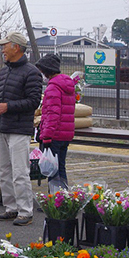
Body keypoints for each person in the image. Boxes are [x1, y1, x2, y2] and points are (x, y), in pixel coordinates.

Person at [0, 32, 42, 226]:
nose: (2, 49)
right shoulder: (4, 71)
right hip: (2, 126)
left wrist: (8, 106)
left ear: (16, 47)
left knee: (20, 171)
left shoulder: (32, 72)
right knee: (4, 170)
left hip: (19, 129)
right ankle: (11, 207)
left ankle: (25, 210)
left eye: (5, 46)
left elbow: (33, 101)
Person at [35, 54, 77, 193]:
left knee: (52, 169)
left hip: (54, 134)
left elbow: (52, 114)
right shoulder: (68, 84)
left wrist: (46, 135)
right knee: (61, 167)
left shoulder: (53, 87)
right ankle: (63, 198)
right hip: (66, 134)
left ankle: (55, 200)